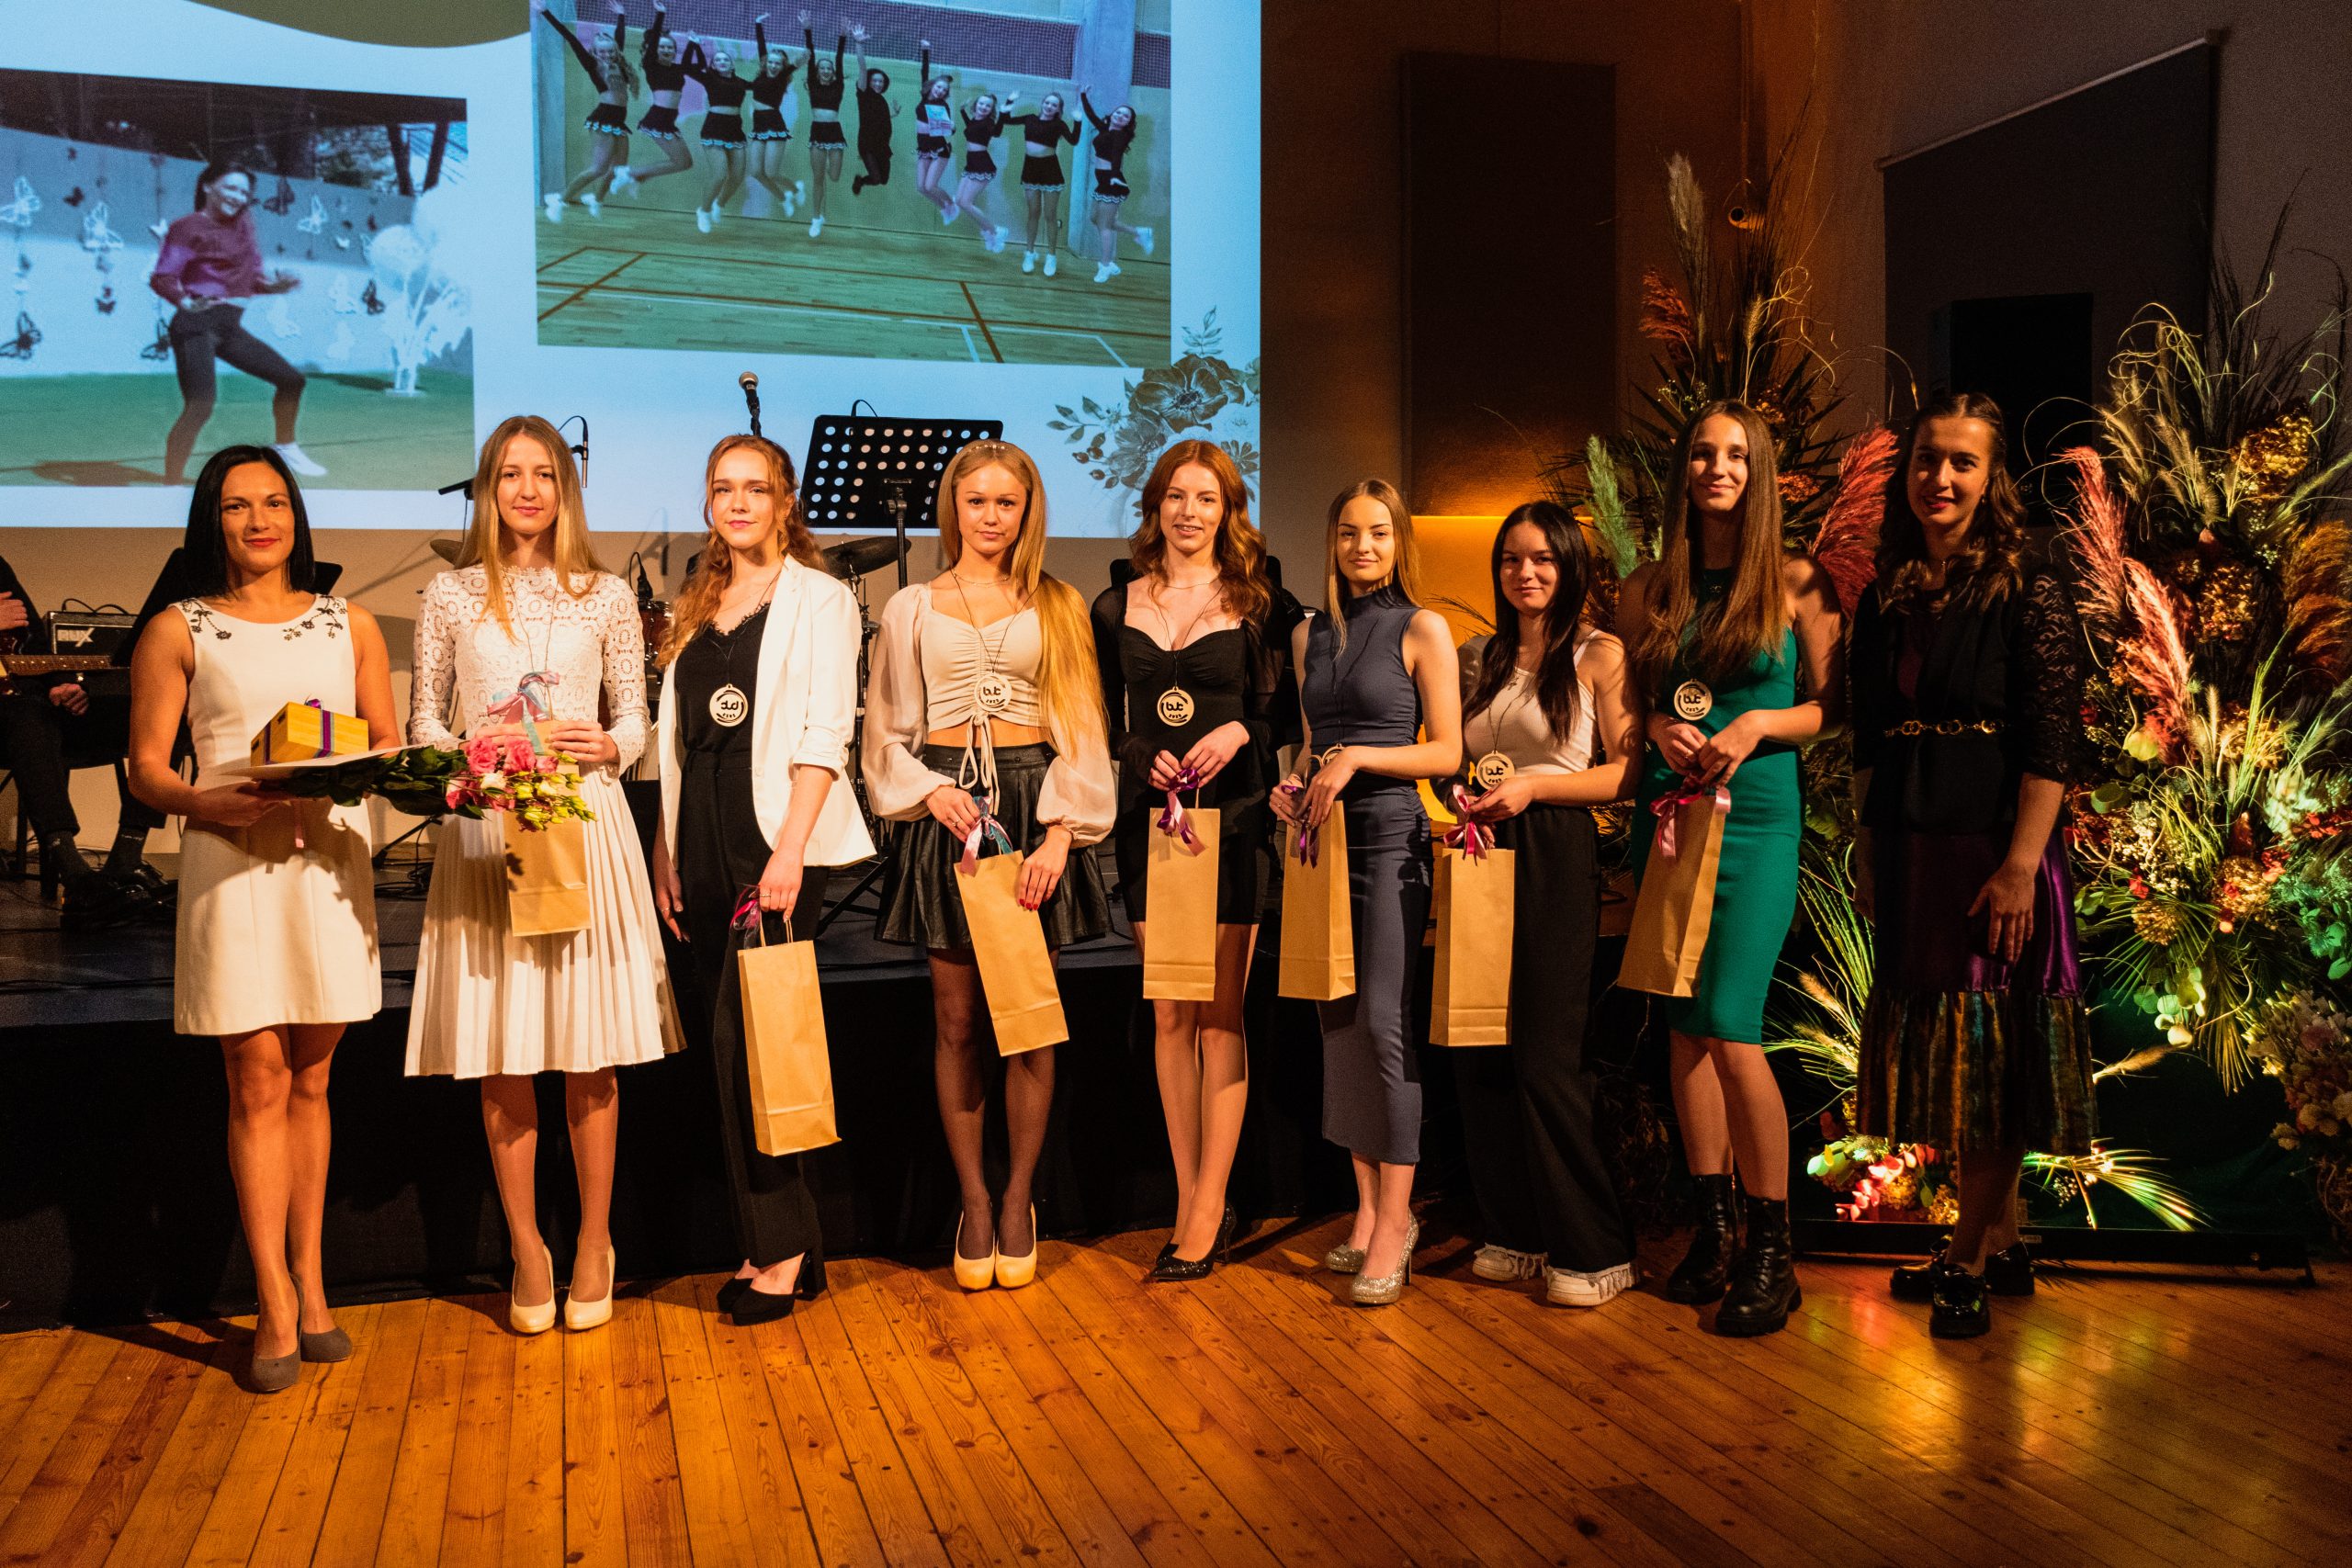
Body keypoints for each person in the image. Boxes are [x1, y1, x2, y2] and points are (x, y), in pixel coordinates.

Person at [404, 414, 683, 1337]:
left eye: (544, 474)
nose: (527, 490)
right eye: (510, 474)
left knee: (588, 1047)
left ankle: (595, 1242)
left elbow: (635, 719)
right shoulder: (449, 594)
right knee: (505, 1045)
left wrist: (609, 744)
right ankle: (528, 1248)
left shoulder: (605, 595)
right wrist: (472, 755)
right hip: (491, 825)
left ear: (566, 489)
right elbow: (423, 722)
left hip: (582, 819)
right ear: (488, 489)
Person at [126, 446, 396, 1392]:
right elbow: (146, 768)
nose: (258, 521)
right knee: (256, 1081)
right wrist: (205, 803)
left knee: (313, 1080)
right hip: (231, 861)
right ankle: (273, 1299)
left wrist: (352, 771)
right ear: (213, 519)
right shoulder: (178, 627)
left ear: (295, 515)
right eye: (237, 506)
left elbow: (387, 743)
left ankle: (314, 1284)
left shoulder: (350, 622)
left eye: (274, 502)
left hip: (326, 859)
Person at [1850, 393, 2097, 1338]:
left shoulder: (2028, 584)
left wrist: (2023, 865)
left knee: (1994, 1059)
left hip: (1996, 849)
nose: (1940, 478)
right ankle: (2003, 1240)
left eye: (1961, 461)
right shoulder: (1887, 592)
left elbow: (2052, 742)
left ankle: (1962, 1261)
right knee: (1960, 1059)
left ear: (1991, 477)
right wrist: (1869, 851)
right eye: (1927, 459)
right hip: (1914, 845)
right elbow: (1868, 739)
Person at [863, 438, 1114, 1292]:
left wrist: (1060, 835)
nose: (992, 517)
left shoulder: (1060, 604)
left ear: (1028, 510)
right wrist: (929, 790)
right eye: (977, 501)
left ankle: (1018, 1199)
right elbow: (885, 732)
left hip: (1033, 804)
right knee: (958, 1021)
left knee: (1029, 1016)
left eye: (1008, 502)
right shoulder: (911, 607)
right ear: (954, 507)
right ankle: (972, 1198)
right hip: (949, 808)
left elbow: (1083, 728)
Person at [1618, 400, 1844, 1337]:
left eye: (1738, 455)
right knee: (1683, 1029)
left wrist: (1753, 724)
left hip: (1754, 819)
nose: (1719, 468)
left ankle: (1772, 1250)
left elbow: (1831, 708)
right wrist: (1655, 725)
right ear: (1685, 470)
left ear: (1760, 474)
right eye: (1705, 453)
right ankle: (1713, 1232)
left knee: (1732, 1025)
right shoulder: (1646, 588)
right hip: (1671, 817)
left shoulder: (1796, 580)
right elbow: (1630, 701)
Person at [651, 435, 872, 1326]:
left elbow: (825, 731)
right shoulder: (700, 602)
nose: (738, 503)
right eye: (723, 489)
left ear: (785, 501)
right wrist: (665, 849)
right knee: (727, 1045)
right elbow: (678, 742)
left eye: (755, 488)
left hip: (770, 838)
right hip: (699, 835)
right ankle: (782, 1238)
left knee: (757, 1041)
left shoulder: (820, 597)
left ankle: (779, 1250)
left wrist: (790, 849)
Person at [1091, 440, 1297, 1280]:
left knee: (1219, 1016)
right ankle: (1190, 1194)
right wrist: (1140, 754)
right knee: (1169, 1016)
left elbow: (1287, 711)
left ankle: (1211, 1205)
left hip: (1234, 822)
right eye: (1177, 496)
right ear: (1155, 505)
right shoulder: (1115, 604)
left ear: (1229, 510)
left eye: (1207, 498)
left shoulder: (1261, 600)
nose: (1189, 511)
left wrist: (1239, 730)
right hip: (1151, 827)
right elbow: (1100, 718)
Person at [1271, 479, 1462, 1306]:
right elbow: (1311, 743)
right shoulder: (1308, 633)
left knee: (1384, 1021)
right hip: (1321, 839)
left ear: (1398, 541)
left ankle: (1399, 1216)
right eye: (1349, 532)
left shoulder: (1423, 627)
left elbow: (1447, 752)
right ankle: (1365, 1207)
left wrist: (1357, 758)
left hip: (1389, 839)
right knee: (1338, 1020)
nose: (1362, 547)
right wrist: (1294, 781)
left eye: (1378, 533)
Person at [1451, 502, 1640, 1307]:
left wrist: (1535, 788)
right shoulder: (1480, 656)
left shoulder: (1599, 652)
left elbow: (1628, 771)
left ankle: (1595, 1247)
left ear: (1570, 566)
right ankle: (1516, 1230)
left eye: (1542, 559)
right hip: (1483, 847)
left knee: (1545, 1051)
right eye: (1511, 559)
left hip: (1557, 846)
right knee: (1480, 1044)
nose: (1525, 573)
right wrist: (1462, 794)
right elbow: (1456, 752)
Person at [0, 556, 167, 928]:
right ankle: (74, 873)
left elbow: (35, 642)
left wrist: (60, 682)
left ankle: (126, 858)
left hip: (30, 702)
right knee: (27, 713)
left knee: (157, 708)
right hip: (16, 716)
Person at [148, 164, 322, 485]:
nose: (238, 197)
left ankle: (285, 446)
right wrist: (185, 301)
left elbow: (248, 282)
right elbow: (162, 277)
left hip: (229, 328)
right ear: (207, 187)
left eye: (244, 192)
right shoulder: (187, 227)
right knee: (200, 405)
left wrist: (275, 287)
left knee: (292, 380)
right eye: (231, 188)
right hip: (195, 323)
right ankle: (171, 483)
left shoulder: (243, 226)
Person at [537, 2, 638, 221]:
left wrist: (621, 15)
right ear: (595, 52)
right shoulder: (593, 65)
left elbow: (619, 39)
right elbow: (571, 39)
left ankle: (596, 199)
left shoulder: (619, 64)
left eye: (610, 51)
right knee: (598, 169)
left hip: (618, 121)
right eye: (602, 51)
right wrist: (545, 12)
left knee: (619, 169)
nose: (607, 54)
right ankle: (559, 200)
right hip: (603, 118)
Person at [610, 2, 695, 194]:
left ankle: (638, 177)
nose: (666, 50)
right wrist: (660, 14)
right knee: (680, 162)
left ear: (675, 51)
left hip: (668, 121)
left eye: (670, 48)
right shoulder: (652, 66)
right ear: (655, 49)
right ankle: (629, 173)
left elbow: (688, 61)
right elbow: (654, 39)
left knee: (686, 162)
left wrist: (692, 42)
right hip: (657, 119)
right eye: (662, 47)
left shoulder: (678, 68)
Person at [1077, 88, 1153, 284]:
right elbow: (1091, 116)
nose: (1120, 116)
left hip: (1112, 182)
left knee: (1104, 227)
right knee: (1096, 219)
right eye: (1118, 112)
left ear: (1128, 123)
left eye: (1125, 116)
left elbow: (1117, 156)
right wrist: (1083, 96)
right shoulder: (1105, 128)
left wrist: (1113, 176)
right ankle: (1139, 232)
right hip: (1103, 182)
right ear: (1113, 114)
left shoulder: (1120, 136)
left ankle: (1105, 265)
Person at [681, 35, 752, 232]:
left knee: (737, 176)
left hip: (735, 130)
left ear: (732, 65)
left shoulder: (741, 82)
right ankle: (703, 211)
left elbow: (764, 86)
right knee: (720, 175)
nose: (722, 61)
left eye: (725, 59)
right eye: (717, 59)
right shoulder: (709, 78)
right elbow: (686, 67)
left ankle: (719, 204)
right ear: (713, 65)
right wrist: (693, 44)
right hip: (714, 128)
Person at [1007, 93, 1080, 276]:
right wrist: (1009, 101)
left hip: (1050, 170)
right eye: (1047, 102)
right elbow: (1006, 120)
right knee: (1033, 213)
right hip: (1030, 169)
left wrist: (1078, 121)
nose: (1049, 106)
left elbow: (1074, 140)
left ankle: (1051, 256)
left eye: (1054, 105)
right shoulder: (1030, 119)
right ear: (1042, 103)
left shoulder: (1059, 125)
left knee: (1050, 215)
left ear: (1058, 109)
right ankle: (1029, 253)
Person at [747, 16, 806, 219]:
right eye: (770, 62)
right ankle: (783, 198)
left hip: (773, 124)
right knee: (756, 172)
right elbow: (762, 49)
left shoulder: (782, 78)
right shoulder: (762, 75)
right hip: (758, 125)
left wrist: (806, 33)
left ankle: (796, 190)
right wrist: (758, 24)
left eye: (777, 63)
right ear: (766, 63)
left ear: (782, 66)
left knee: (771, 173)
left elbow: (800, 61)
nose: (773, 66)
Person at [948, 90, 1019, 254]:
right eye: (981, 103)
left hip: (982, 164)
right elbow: (970, 127)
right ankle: (990, 233)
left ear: (991, 110)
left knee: (966, 203)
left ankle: (996, 231)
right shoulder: (975, 119)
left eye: (988, 106)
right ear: (976, 105)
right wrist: (962, 111)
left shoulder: (989, 123)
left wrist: (1005, 108)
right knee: (960, 201)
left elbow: (997, 132)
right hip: (971, 164)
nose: (984, 107)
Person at [799, 12, 849, 237]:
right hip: (817, 131)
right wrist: (807, 30)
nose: (827, 70)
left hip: (835, 132)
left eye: (829, 68)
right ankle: (816, 218)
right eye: (823, 68)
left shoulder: (838, 86)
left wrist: (842, 37)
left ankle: (828, 164)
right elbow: (811, 58)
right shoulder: (812, 83)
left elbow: (839, 59)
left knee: (834, 176)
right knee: (818, 178)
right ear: (818, 71)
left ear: (833, 72)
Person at [910, 43, 957, 221]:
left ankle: (951, 203)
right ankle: (945, 209)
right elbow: (924, 71)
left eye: (944, 90)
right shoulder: (924, 97)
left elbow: (947, 130)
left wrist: (952, 127)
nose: (941, 91)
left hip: (939, 150)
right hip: (924, 149)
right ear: (932, 86)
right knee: (921, 188)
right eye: (939, 87)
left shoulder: (942, 106)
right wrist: (925, 51)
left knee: (930, 186)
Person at [848, 23, 896, 196]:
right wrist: (859, 44)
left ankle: (865, 179)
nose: (877, 83)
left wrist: (894, 114)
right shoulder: (864, 93)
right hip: (867, 143)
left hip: (882, 144)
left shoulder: (882, 100)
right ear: (868, 81)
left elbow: (877, 118)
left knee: (884, 180)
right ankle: (860, 181)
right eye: (874, 80)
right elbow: (862, 67)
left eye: (880, 81)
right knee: (875, 178)